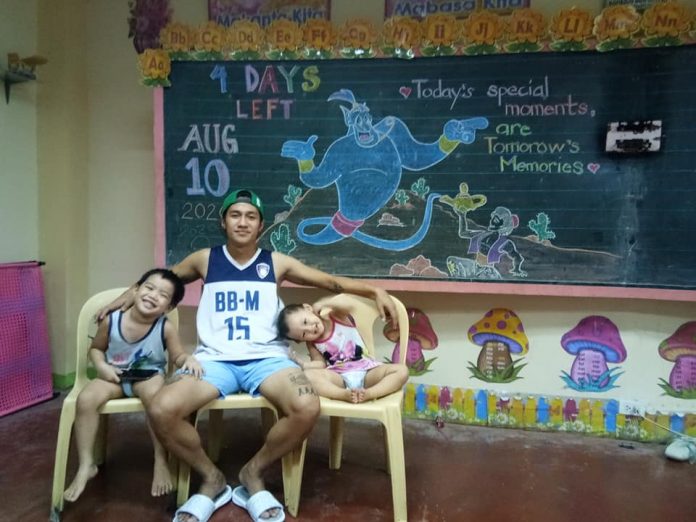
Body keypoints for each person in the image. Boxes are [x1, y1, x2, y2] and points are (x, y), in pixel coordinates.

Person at [97, 188, 398, 522]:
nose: (243, 222)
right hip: (214, 360)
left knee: (306, 405)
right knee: (161, 407)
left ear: (261, 225)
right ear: (223, 222)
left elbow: (327, 280)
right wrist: (123, 298)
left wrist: (374, 289)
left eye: (250, 216)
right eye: (235, 215)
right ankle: (210, 478)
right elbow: (161, 279)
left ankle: (252, 473)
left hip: (268, 359)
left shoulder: (275, 262)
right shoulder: (205, 259)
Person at [64, 268, 201, 503]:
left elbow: (176, 356)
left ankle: (160, 458)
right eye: (149, 288)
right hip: (114, 376)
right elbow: (96, 349)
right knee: (86, 399)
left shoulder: (164, 327)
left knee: (155, 398)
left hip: (148, 377)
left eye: (163, 295)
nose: (153, 295)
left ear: (168, 307)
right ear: (136, 290)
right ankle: (86, 464)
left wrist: (187, 359)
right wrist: (102, 366)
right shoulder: (112, 320)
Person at [277, 295, 408, 404]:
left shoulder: (336, 316)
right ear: (301, 340)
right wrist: (303, 365)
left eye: (305, 322)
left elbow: (348, 305)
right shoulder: (312, 342)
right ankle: (343, 395)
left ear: (307, 308)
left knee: (402, 371)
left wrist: (324, 302)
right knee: (308, 376)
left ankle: (368, 394)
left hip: (367, 371)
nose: (311, 329)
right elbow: (320, 364)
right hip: (340, 378)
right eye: (304, 334)